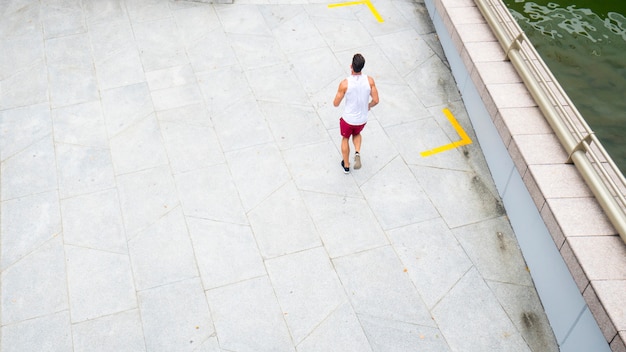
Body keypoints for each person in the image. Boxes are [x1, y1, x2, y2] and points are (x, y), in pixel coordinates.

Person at [333, 53, 379, 174]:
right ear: (362, 67)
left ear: (351, 66)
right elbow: (376, 100)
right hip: (362, 119)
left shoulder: (345, 84)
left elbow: (336, 103)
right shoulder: (370, 81)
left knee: (345, 138)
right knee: (357, 133)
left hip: (348, 119)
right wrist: (368, 106)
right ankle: (357, 151)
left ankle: (346, 165)